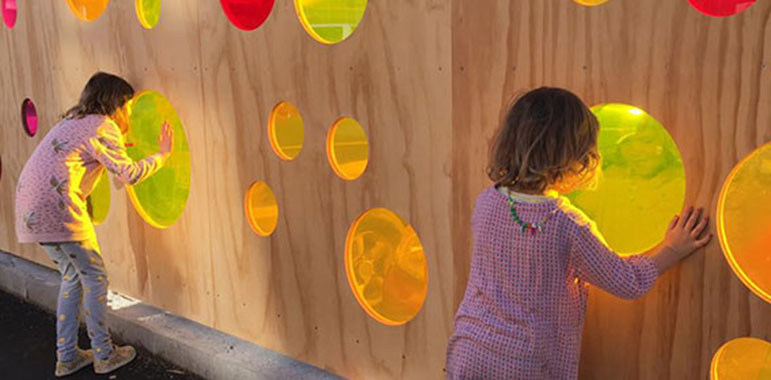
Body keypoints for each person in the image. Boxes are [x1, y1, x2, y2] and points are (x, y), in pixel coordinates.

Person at [445, 87, 711, 379]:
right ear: (575, 158)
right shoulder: (565, 225)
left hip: (469, 348)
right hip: (525, 364)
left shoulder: (487, 202)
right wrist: (672, 249)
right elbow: (626, 282)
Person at [14, 72, 174, 377]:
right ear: (116, 104)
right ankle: (105, 354)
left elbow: (79, 157)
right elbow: (128, 176)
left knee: (73, 277)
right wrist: (163, 156)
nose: (128, 113)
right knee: (95, 279)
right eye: (127, 106)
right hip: (61, 212)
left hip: (32, 212)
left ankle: (68, 356)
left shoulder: (73, 122)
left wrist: (115, 151)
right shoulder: (103, 126)